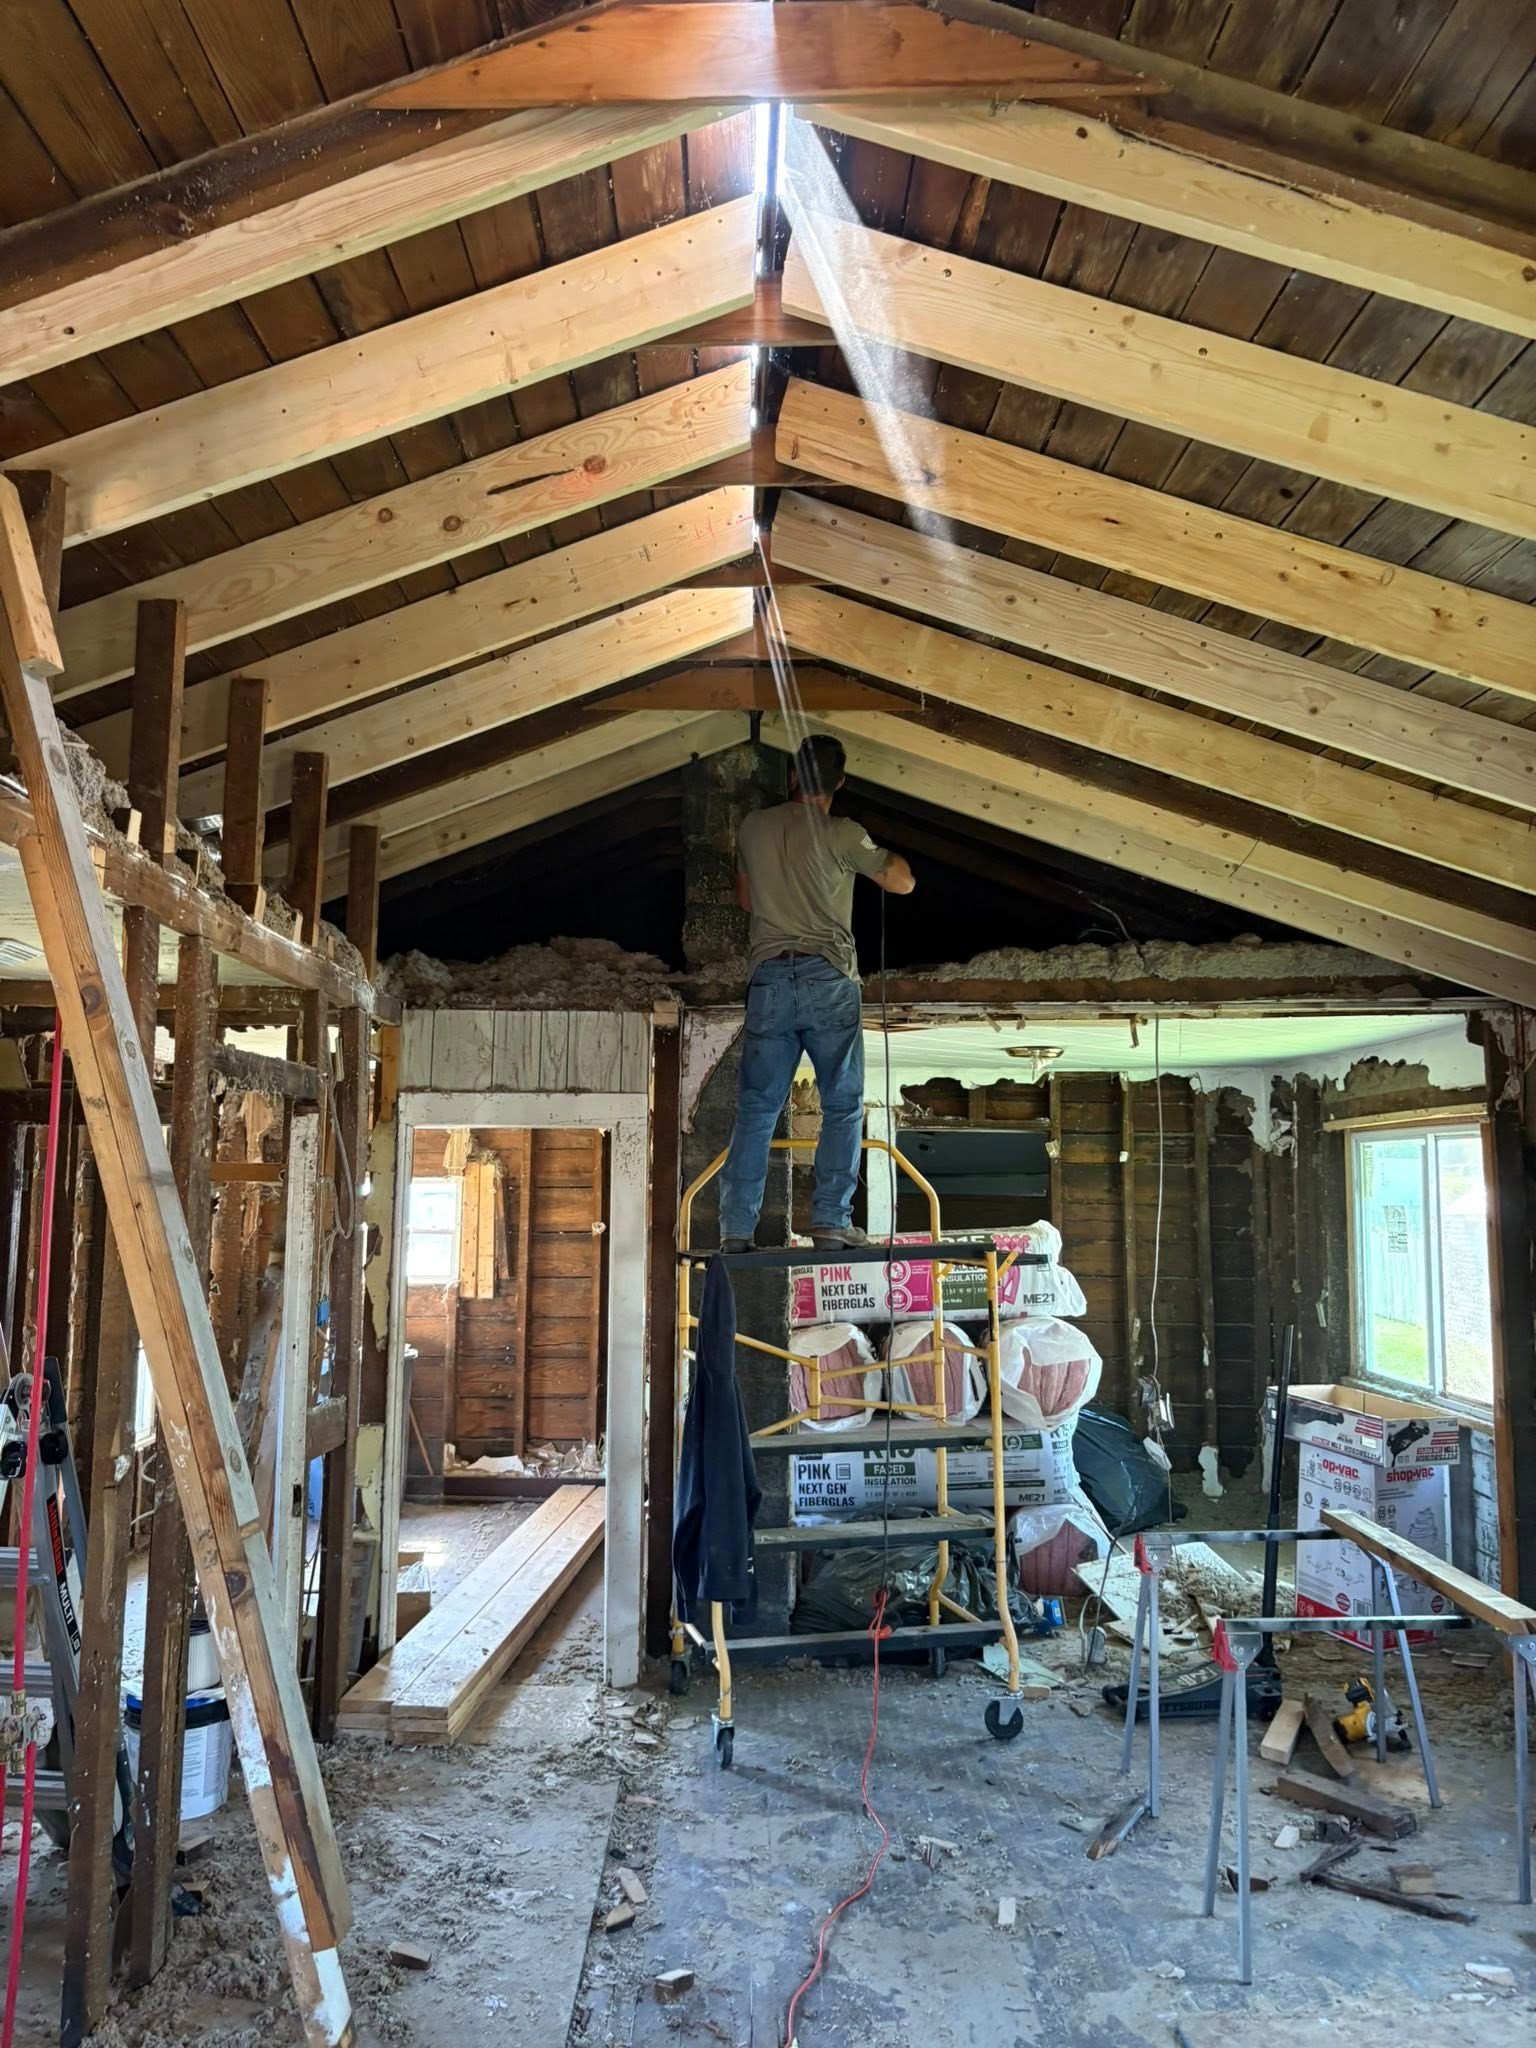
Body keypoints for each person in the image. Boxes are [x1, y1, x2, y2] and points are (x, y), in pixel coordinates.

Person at [717, 734, 915, 1253]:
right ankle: (829, 1218)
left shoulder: (754, 826)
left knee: (758, 1109)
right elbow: (902, 883)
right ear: (840, 783)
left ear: (790, 778)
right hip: (828, 976)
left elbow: (744, 898)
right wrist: (880, 854)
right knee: (843, 1104)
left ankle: (736, 1227)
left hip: (769, 979)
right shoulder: (843, 832)